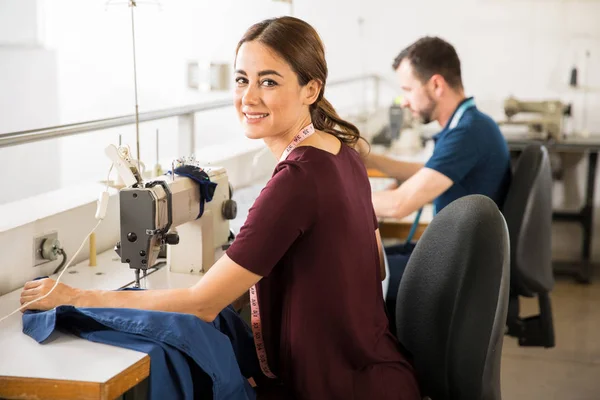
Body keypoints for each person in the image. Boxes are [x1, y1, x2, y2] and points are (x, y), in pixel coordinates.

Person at [20, 17, 421, 400]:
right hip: (380, 372)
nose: (249, 97)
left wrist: (76, 295)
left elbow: (201, 303)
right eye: (242, 80)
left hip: (335, 391)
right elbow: (378, 267)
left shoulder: (297, 180)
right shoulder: (342, 152)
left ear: (310, 89)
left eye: (269, 82)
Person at [359, 36, 511, 322]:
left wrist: (333, 201)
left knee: (346, 275)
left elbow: (398, 206)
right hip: (454, 256)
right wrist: (366, 156)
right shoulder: (470, 125)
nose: (403, 102)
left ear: (437, 85)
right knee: (361, 260)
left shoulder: (468, 133)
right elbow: (426, 172)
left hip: (455, 269)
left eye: (407, 89)